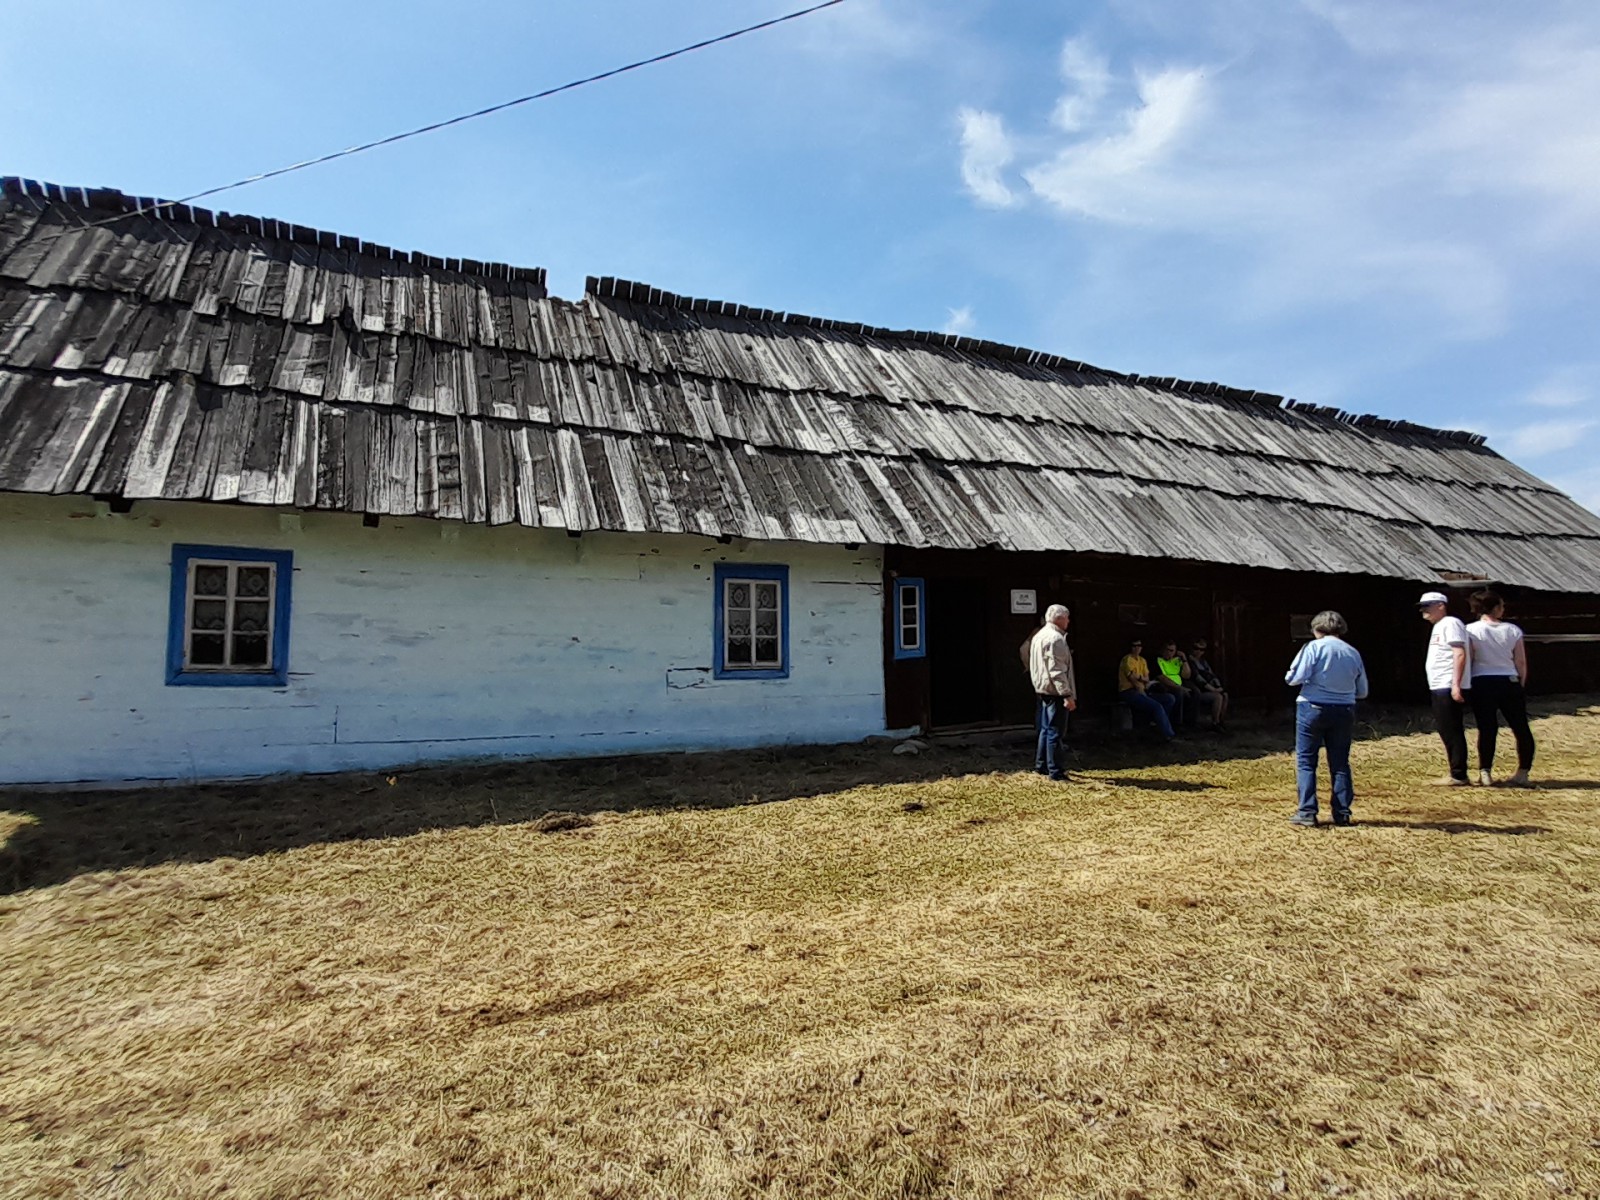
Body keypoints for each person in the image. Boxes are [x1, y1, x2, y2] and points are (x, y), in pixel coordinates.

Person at [1284, 610, 1369, 827]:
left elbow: (1294, 678)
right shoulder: (1353, 652)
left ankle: (1307, 811)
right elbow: (1362, 690)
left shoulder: (1313, 648)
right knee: (1340, 762)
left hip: (1313, 706)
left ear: (1317, 629)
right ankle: (1342, 812)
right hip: (1344, 708)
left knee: (1306, 760)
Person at [1466, 588, 1535, 787]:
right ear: (1496, 608)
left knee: (1487, 728)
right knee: (1520, 727)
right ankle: (1523, 771)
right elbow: (1520, 661)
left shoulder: (1471, 630)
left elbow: (1470, 658)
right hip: (1508, 679)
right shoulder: (1512, 630)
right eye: (1502, 606)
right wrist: (1520, 682)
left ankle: (1485, 771)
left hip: (1482, 680)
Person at [1418, 591, 1471, 786]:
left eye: (1428, 606)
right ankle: (1456, 770)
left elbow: (1459, 653)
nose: (1424, 610)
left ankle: (1459, 774)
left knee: (1451, 729)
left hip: (1447, 684)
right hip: (1439, 683)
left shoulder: (1450, 623)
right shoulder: (1439, 626)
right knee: (1445, 728)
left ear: (1441, 605)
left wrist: (1455, 685)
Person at [1023, 604, 1077, 781]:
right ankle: (1056, 771)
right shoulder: (1056, 639)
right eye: (1067, 617)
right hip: (1055, 691)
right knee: (1055, 731)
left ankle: (1041, 766)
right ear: (1059, 618)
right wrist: (1067, 695)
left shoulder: (1039, 636)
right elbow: (1056, 670)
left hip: (1042, 688)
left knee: (1045, 729)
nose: (1068, 621)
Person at [1117, 638, 1175, 740]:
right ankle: (1168, 734)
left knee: (1169, 698)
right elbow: (1132, 679)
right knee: (1156, 706)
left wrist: (1139, 678)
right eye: (1134, 646)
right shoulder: (1127, 660)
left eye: (1138, 646)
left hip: (1143, 690)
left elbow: (1146, 678)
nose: (1136, 648)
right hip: (1128, 691)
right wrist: (1140, 681)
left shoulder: (1142, 660)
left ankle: (1157, 724)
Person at [1151, 640, 1195, 726]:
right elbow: (1162, 678)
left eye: (1172, 651)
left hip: (1179, 684)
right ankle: (1177, 723)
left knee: (1195, 692)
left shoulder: (1177, 660)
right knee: (1179, 693)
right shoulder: (1157, 660)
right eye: (1167, 650)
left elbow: (1187, 675)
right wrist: (1179, 687)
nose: (1169, 653)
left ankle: (1191, 722)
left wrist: (1184, 659)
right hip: (1165, 686)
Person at [1189, 638, 1229, 730]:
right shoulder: (1190, 662)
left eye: (1201, 649)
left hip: (1208, 687)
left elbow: (1212, 675)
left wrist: (1218, 686)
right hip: (1198, 690)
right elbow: (1198, 678)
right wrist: (1213, 689)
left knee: (1225, 695)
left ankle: (1220, 721)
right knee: (1218, 697)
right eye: (1196, 648)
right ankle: (1215, 723)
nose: (1199, 651)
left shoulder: (1203, 662)